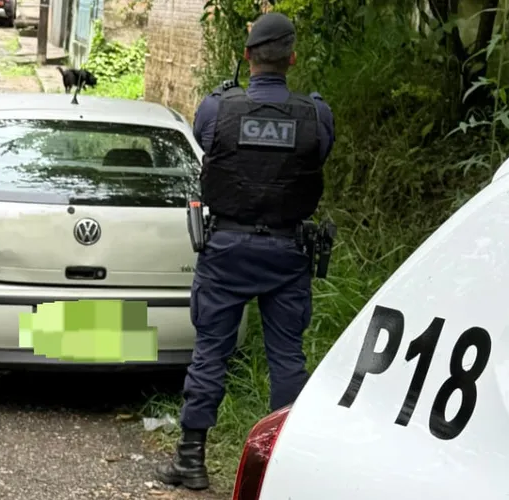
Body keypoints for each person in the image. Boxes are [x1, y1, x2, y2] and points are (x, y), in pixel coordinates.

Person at [153, 11, 336, 491]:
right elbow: (320, 151)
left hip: (227, 251)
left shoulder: (217, 110)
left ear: (246, 56)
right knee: (287, 360)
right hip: (286, 252)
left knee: (210, 353)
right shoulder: (316, 115)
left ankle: (191, 460)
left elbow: (202, 136)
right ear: (292, 60)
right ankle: (284, 470)